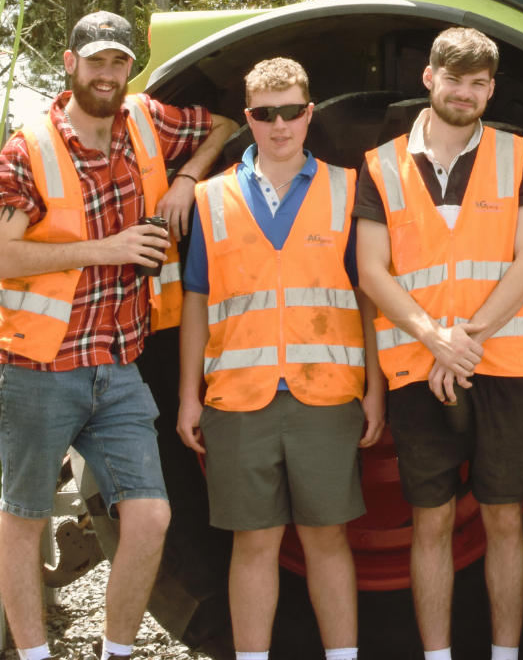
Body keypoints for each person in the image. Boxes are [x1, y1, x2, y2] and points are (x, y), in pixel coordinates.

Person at [0, 11, 237, 660]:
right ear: (71, 64)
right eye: (95, 61)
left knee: (153, 517)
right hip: (40, 368)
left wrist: (189, 177)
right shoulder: (30, 149)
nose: (107, 74)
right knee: (22, 522)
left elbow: (225, 126)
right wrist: (108, 249)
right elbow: (3, 256)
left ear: (131, 69)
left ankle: (118, 651)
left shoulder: (147, 122)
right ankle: (32, 654)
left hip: (119, 367)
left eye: (119, 62)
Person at [176, 57, 382, 660]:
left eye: (292, 110)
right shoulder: (213, 199)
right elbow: (196, 302)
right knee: (254, 544)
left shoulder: (347, 189)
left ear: (310, 112)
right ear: (249, 119)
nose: (280, 125)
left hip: (327, 396)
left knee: (327, 541)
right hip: (239, 400)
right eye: (266, 114)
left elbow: (367, 298)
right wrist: (190, 394)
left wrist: (375, 388)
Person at [355, 28, 523, 660]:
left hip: (502, 363)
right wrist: (434, 339)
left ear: (491, 90)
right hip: (417, 364)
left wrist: (464, 340)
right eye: (454, 78)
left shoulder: (518, 155)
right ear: (428, 79)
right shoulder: (380, 165)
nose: (464, 93)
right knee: (431, 519)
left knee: (502, 515)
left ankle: (504, 653)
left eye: (478, 83)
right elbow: (373, 271)